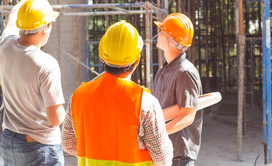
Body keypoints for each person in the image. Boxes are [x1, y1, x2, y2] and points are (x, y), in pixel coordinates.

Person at [62, 20, 173, 166]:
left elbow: (67, 144)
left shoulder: (78, 96)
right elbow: (162, 159)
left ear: (102, 57)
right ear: (137, 60)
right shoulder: (144, 102)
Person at [0, 0, 66, 166]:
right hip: (39, 147)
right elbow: (55, 119)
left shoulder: (5, 46)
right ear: (45, 28)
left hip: (9, 141)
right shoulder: (46, 64)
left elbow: (12, 18)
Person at [151, 13, 203, 166]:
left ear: (170, 41)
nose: (158, 34)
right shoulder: (163, 71)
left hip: (180, 156)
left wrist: (157, 135)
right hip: (166, 150)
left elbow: (187, 116)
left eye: (162, 32)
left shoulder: (184, 72)